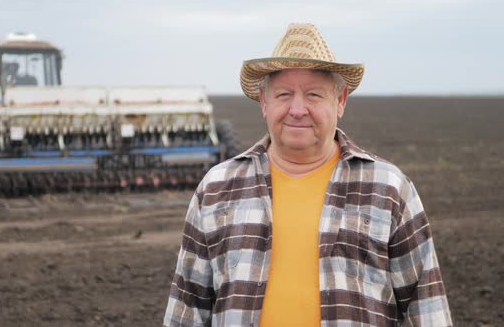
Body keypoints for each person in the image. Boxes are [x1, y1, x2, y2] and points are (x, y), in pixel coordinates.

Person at [164, 23, 452, 326]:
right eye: (284, 94)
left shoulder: (389, 190)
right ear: (264, 101)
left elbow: (427, 308)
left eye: (314, 95)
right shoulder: (216, 189)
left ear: (340, 101)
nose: (297, 109)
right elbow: (187, 309)